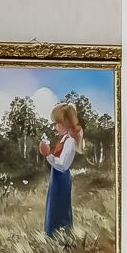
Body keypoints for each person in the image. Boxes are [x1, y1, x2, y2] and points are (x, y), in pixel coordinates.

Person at [39, 100, 83, 239]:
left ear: (66, 124)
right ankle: (52, 234)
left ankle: (61, 234)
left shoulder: (70, 142)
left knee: (60, 206)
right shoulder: (64, 140)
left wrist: (48, 155)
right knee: (53, 204)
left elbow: (63, 165)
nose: (55, 127)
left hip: (61, 177)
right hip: (56, 176)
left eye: (57, 123)